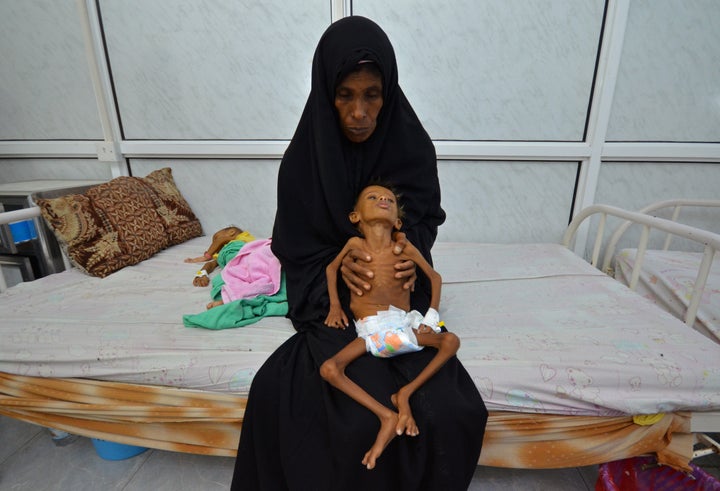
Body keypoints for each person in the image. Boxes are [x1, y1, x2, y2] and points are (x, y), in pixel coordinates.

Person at [231, 16, 487, 491]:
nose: (359, 112)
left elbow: (424, 221)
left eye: (372, 94)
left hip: (396, 297)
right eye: (345, 95)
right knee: (330, 408)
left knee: (452, 410)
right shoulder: (302, 162)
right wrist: (338, 264)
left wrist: (410, 254)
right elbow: (296, 246)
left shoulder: (411, 148)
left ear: (388, 93)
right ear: (325, 91)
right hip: (335, 305)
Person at [321, 183, 460, 471]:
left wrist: (431, 317)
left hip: (403, 325)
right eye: (373, 197)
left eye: (388, 199)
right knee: (330, 368)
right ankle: (386, 415)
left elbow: (434, 278)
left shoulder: (405, 246)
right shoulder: (354, 245)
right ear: (355, 217)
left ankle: (405, 394)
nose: (382, 199)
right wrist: (335, 306)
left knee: (450, 341)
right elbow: (331, 269)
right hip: (370, 330)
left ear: (397, 220)